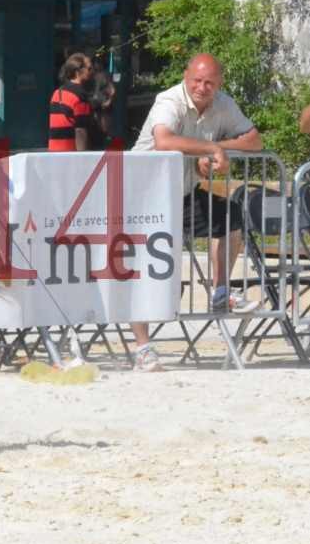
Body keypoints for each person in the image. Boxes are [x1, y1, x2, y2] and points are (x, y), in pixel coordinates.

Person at [127, 53, 264, 371]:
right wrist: (210, 148)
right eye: (197, 81)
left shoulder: (224, 103)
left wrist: (219, 149)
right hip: (143, 194)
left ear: (220, 83)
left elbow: (255, 141)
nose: (202, 87)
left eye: (210, 82)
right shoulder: (169, 99)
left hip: (183, 192)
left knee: (232, 216)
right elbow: (163, 141)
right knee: (147, 268)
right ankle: (143, 347)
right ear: (186, 77)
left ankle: (220, 291)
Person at [47, 52, 95, 151]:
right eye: (89, 69)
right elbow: (80, 130)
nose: (92, 72)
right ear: (78, 72)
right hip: (70, 155)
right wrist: (83, 159)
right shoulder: (80, 95)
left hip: (54, 152)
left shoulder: (57, 93)